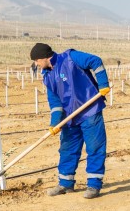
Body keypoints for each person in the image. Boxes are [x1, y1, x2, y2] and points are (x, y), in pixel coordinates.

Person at [30, 43, 110, 199]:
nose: (36, 64)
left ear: (45, 57)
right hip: (69, 118)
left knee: (94, 147)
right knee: (67, 149)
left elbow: (96, 61)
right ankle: (65, 184)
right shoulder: (47, 76)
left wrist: (103, 84)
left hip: (90, 110)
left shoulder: (71, 58)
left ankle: (94, 185)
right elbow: (55, 103)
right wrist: (55, 123)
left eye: (37, 60)